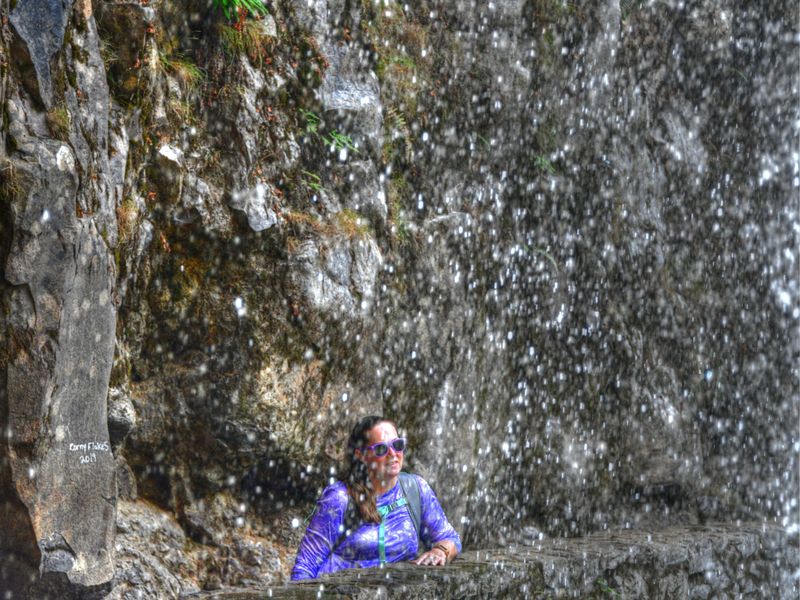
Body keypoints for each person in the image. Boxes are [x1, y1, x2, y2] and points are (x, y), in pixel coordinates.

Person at [291, 415, 461, 580]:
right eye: (381, 449)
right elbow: (305, 567)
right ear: (361, 455)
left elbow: (450, 538)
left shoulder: (415, 489)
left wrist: (440, 551)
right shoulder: (339, 499)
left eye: (397, 444)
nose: (393, 454)